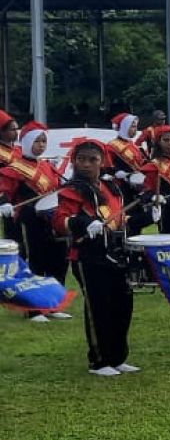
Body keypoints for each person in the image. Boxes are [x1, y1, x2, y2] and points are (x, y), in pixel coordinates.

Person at [53, 140, 153, 376]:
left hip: (116, 254)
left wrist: (146, 218)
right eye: (81, 159)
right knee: (99, 307)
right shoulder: (71, 190)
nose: (86, 164)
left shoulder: (111, 189)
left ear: (102, 162)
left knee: (122, 305)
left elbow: (120, 221)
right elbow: (60, 221)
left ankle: (118, 357)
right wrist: (83, 224)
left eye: (92, 160)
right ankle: (99, 361)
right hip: (88, 256)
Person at [0, 122, 71, 322]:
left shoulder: (48, 166)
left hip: (51, 219)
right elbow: (3, 190)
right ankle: (33, 309)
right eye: (37, 141)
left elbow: (59, 188)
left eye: (44, 141)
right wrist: (4, 203)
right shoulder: (13, 169)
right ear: (28, 141)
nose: (41, 145)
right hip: (28, 220)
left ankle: (54, 305)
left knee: (58, 261)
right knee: (35, 261)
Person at [0, 110, 19, 242]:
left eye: (17, 128)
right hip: (6, 197)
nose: (16, 132)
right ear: (2, 132)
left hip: (21, 197)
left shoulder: (19, 150)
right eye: (12, 129)